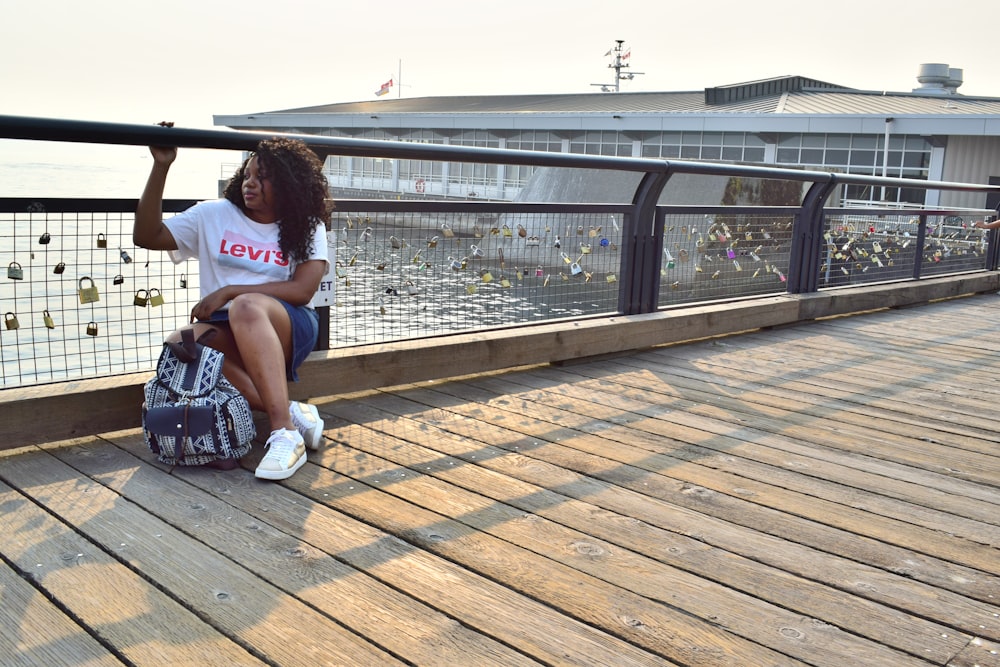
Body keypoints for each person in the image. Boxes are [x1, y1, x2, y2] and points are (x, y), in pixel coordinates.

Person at [134, 136, 331, 480]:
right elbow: (147, 235)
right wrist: (161, 165)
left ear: (288, 185)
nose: (249, 183)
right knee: (182, 343)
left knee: (247, 306)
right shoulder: (213, 215)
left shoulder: (306, 225)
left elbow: (302, 290)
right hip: (229, 327)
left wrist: (230, 291)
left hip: (286, 324)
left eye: (263, 177)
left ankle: (284, 433)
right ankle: (288, 410)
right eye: (247, 174)